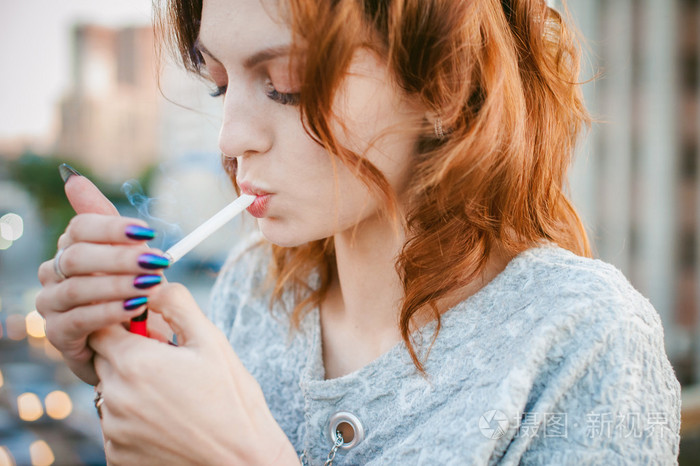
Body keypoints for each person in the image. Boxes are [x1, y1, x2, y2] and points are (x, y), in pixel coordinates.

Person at [36, 0, 681, 464]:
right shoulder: (254, 289)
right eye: (220, 86)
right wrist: (126, 371)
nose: (231, 141)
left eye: (286, 84)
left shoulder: (588, 340)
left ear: (443, 83)